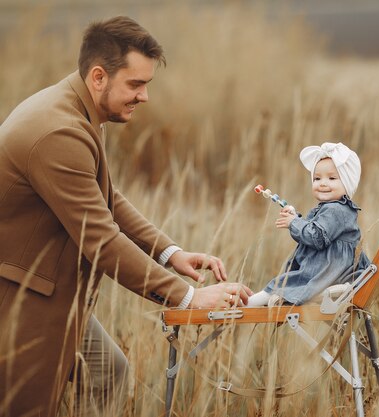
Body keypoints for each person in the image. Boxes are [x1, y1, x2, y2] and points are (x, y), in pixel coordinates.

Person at [0, 16, 252, 417]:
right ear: (99, 76)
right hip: (20, 298)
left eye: (147, 84)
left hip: (51, 294)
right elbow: (100, 238)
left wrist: (170, 253)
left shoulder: (76, 109)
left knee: (107, 373)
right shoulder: (57, 132)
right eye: (136, 84)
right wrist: (189, 297)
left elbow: (106, 198)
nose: (145, 96)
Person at [247, 142, 370, 306]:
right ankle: (267, 299)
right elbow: (315, 230)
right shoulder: (333, 208)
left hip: (328, 272)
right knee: (285, 283)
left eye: (332, 178)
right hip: (329, 270)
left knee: (282, 284)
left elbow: (317, 238)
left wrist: (294, 223)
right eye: (317, 178)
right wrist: (296, 218)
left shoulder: (336, 210)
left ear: (347, 183)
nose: (323, 183)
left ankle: (247, 304)